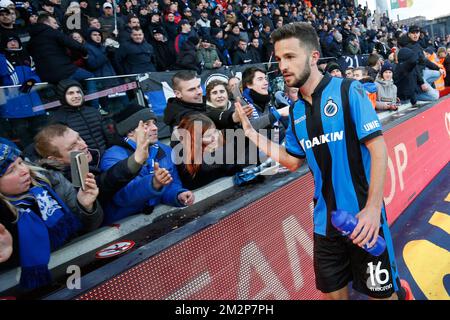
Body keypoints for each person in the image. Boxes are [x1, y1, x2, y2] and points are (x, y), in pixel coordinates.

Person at [235, 22, 407, 300]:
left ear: (314, 57)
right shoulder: (296, 111)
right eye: (279, 59)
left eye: (290, 56)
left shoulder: (348, 91)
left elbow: (379, 150)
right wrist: (251, 133)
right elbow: (292, 161)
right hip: (325, 225)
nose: (283, 65)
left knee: (384, 298)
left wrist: (373, 209)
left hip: (365, 220)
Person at [0, 143, 103, 288]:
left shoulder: (48, 182)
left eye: (21, 162)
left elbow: (84, 232)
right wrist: (7, 258)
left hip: (79, 268)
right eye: (11, 170)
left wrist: (85, 206)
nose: (24, 170)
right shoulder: (3, 219)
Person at [100, 104, 195, 224]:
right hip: (120, 228)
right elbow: (122, 196)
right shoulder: (113, 156)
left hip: (153, 223)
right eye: (147, 125)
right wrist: (153, 183)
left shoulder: (165, 150)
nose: (155, 127)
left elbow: (172, 184)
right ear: (130, 131)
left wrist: (178, 194)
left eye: (154, 123)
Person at [33, 123, 149, 205]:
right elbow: (103, 183)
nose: (83, 145)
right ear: (56, 159)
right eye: (72, 146)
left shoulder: (91, 159)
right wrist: (135, 160)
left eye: (79, 138)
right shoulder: (65, 183)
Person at [175, 114, 244, 190]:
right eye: (208, 136)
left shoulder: (219, 145)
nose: (214, 138)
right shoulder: (184, 158)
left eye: (214, 131)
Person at [49, 79, 110, 156]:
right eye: (71, 93)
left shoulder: (93, 111)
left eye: (78, 92)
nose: (76, 96)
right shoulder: (58, 119)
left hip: (106, 156)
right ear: (63, 97)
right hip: (84, 162)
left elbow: (108, 136)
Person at [27, 13, 93, 84]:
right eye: (54, 23)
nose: (57, 25)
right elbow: (74, 45)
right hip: (65, 71)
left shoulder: (30, 41)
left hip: (46, 78)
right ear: (46, 23)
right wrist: (85, 54)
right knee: (91, 77)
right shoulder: (53, 32)